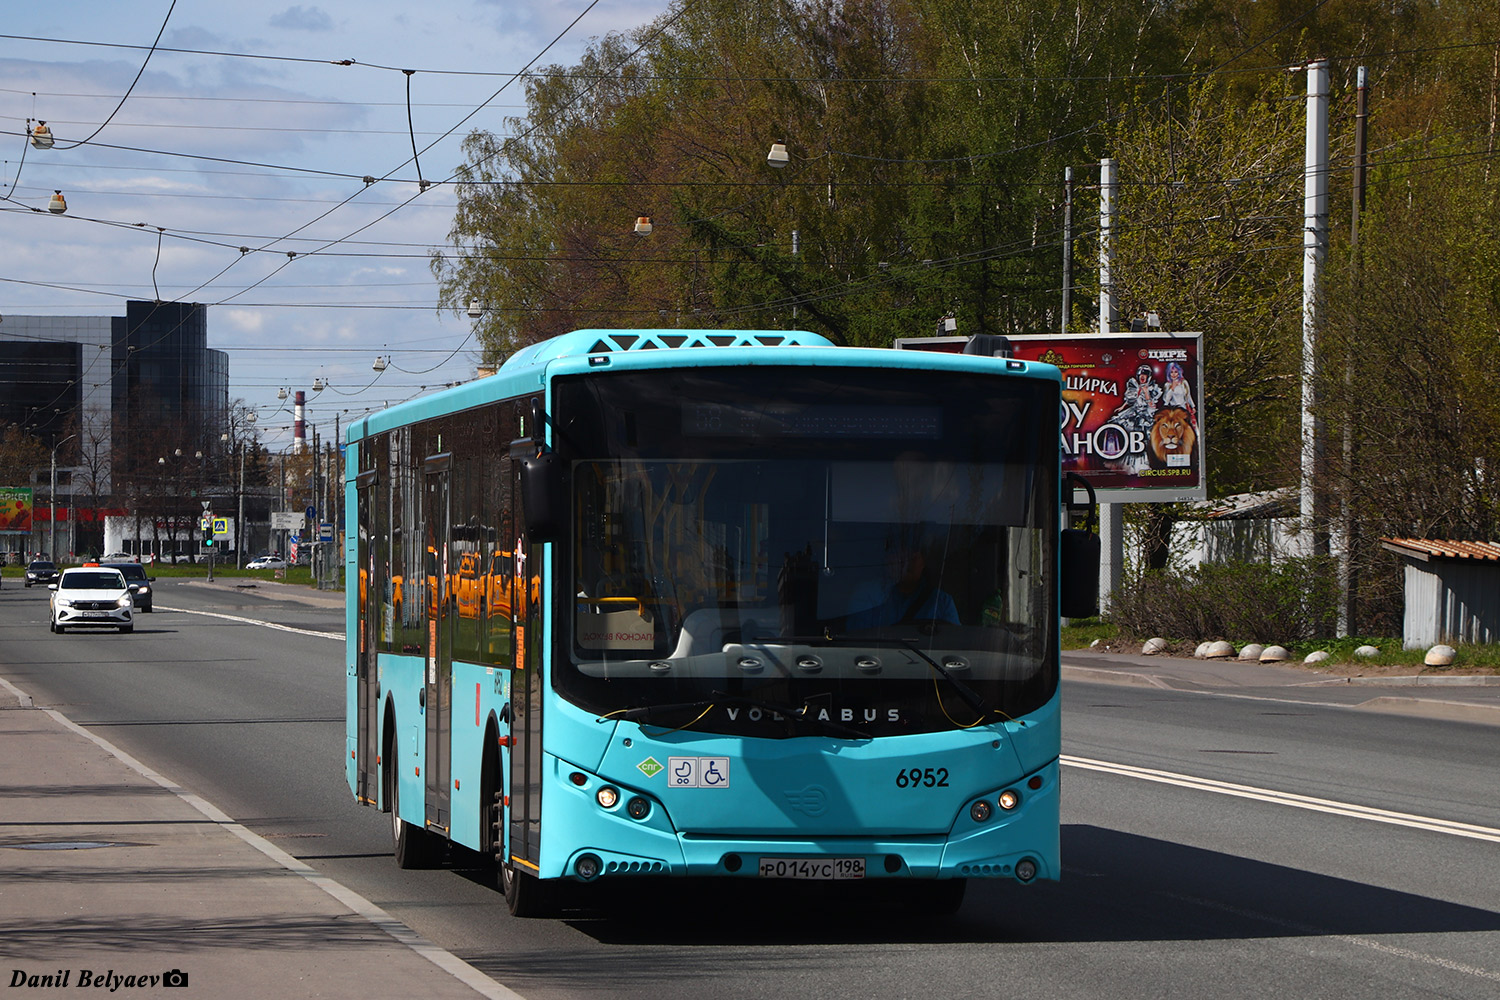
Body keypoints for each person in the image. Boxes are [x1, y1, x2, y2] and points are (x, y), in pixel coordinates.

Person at [845, 540, 959, 628]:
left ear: (923, 562)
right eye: (901, 556)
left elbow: (954, 644)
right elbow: (856, 640)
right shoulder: (867, 594)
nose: (907, 563)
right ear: (887, 560)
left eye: (913, 557)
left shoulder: (942, 602)